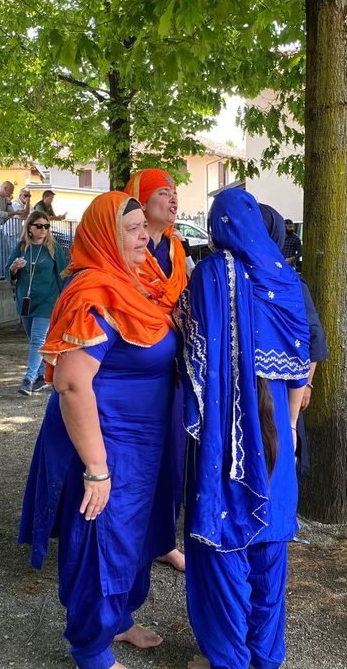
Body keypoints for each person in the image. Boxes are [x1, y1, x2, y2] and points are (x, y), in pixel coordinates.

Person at [19, 191, 177, 669]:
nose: (144, 236)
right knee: (101, 541)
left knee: (133, 536)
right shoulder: (92, 294)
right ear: (106, 236)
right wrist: (96, 467)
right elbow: (71, 384)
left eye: (143, 227)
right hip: (108, 444)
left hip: (144, 443)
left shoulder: (137, 282)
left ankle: (120, 620)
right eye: (131, 230)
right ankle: (91, 651)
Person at [178, 187, 310, 669]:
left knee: (225, 548)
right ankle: (265, 657)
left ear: (218, 227)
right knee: (270, 554)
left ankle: (229, 659)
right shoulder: (285, 278)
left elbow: (191, 348)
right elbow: (301, 366)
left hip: (226, 434)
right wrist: (290, 427)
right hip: (277, 433)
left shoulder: (211, 274)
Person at [125, 168, 188, 573]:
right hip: (135, 372)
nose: (173, 198)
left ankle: (163, 539)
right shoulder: (126, 249)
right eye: (163, 192)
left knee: (172, 458)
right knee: (134, 460)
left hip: (172, 368)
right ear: (142, 202)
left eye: (174, 192)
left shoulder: (177, 250)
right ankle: (127, 539)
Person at [259, 202, 328, 474]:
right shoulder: (233, 277)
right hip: (252, 393)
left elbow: (313, 335)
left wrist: (306, 383)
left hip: (283, 391)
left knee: (280, 456)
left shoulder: (289, 283)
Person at [6, 211, 68, 396]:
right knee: (35, 341)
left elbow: (62, 275)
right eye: (39, 226)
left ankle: (28, 379)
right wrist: (14, 268)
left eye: (46, 226)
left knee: (38, 340)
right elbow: (8, 271)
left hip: (47, 301)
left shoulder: (53, 248)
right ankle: (42, 376)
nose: (43, 230)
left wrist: (64, 300)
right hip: (25, 300)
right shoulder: (22, 247)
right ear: (30, 228)